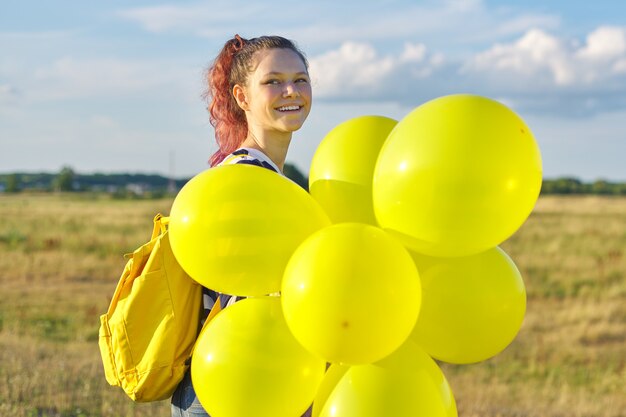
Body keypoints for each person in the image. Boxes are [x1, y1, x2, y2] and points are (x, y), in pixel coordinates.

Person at [171, 34, 313, 417]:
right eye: (273, 81)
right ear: (242, 97)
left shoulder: (274, 182)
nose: (291, 90)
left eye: (301, 79)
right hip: (232, 385)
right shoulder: (243, 179)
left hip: (258, 379)